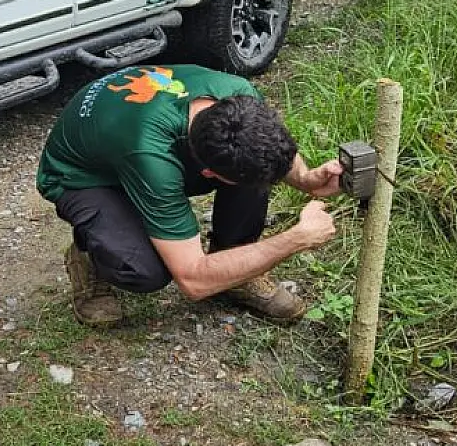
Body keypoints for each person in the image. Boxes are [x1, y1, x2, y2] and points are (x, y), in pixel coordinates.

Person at [35, 64, 343, 326]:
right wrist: (296, 239)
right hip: (83, 175)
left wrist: (306, 178)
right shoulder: (151, 157)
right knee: (146, 270)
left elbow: (272, 151)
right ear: (207, 172)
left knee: (253, 174)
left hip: (130, 132)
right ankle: (88, 255)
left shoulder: (242, 98)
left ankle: (236, 272)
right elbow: (193, 280)